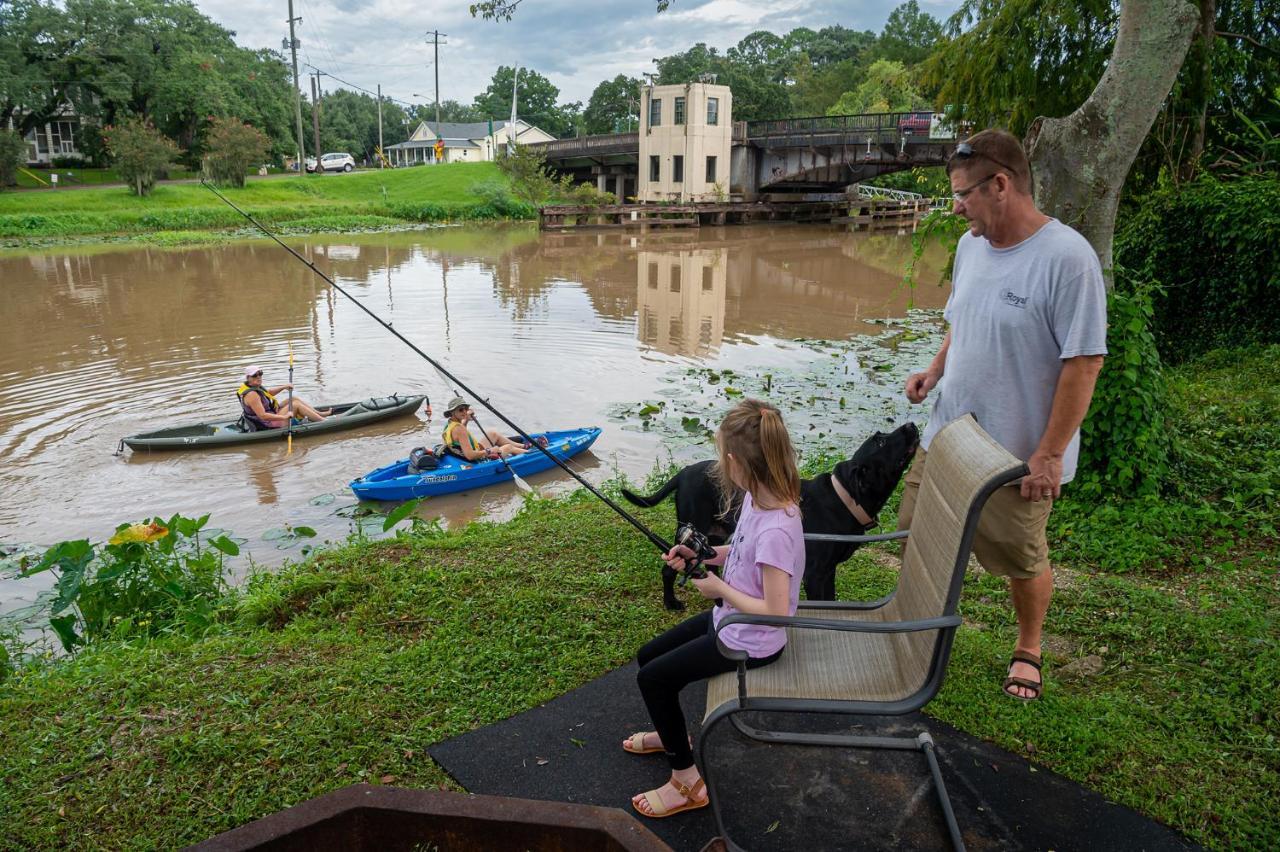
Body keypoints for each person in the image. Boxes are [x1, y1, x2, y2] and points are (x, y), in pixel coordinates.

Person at [901, 128, 1107, 701]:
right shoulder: (971, 245)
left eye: (964, 193)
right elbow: (961, 320)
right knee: (920, 537)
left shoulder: (1067, 259)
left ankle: (1029, 647)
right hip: (948, 435)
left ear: (1001, 184)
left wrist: (1048, 454)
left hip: (1014, 454)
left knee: (1020, 558)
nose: (957, 205)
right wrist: (936, 370)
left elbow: (1083, 364)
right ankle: (918, 630)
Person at [623, 398, 804, 819]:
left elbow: (776, 611)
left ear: (734, 461)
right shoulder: (761, 502)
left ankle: (687, 784)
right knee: (648, 658)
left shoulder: (777, 525)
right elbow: (740, 552)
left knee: (654, 680)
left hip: (751, 640)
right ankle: (675, 739)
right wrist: (703, 555)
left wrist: (719, 588)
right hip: (732, 621)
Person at [237, 365, 330, 431]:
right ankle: (324, 422)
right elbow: (262, 415)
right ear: (248, 378)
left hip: (272, 413)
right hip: (268, 423)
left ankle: (320, 414)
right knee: (295, 405)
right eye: (255, 375)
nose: (259, 377)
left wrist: (284, 387)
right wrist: (284, 416)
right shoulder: (252, 394)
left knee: (293, 399)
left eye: (260, 374)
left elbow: (269, 393)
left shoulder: (253, 386)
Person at [440, 397, 530, 461]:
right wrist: (490, 450)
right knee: (508, 447)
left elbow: (460, 437)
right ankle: (532, 454)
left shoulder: (450, 424)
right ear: (452, 412)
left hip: (469, 451)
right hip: (478, 458)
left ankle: (523, 446)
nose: (464, 412)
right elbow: (470, 456)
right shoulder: (459, 429)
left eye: (465, 409)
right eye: (460, 410)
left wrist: (466, 419)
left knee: (492, 434)